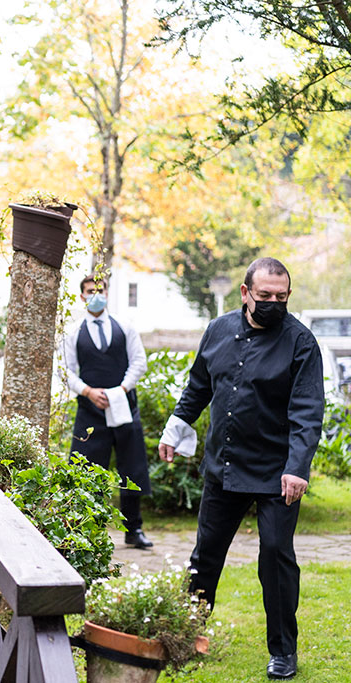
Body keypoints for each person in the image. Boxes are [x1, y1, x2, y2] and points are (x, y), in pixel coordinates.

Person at [158, 257, 323, 681]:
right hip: (225, 466)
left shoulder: (301, 343)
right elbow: (197, 387)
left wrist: (297, 468)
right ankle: (184, 635)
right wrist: (173, 431)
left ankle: (283, 651)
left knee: (275, 557)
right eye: (265, 296)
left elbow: (307, 412)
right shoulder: (217, 331)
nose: (273, 303)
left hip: (278, 473)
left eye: (281, 297)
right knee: (205, 558)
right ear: (245, 294)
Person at [63, 274, 154, 548]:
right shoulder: (73, 331)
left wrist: (121, 390)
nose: (95, 295)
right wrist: (88, 391)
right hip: (89, 409)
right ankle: (85, 530)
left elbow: (139, 362)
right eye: (90, 291)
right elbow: (64, 370)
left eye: (99, 290)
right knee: (85, 469)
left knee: (132, 467)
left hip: (125, 405)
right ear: (82, 296)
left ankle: (133, 529)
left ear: (106, 293)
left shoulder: (125, 327)